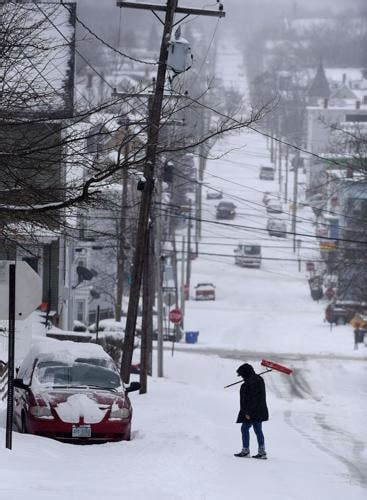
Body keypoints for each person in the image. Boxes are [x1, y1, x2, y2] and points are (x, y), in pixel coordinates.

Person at [234, 363, 269, 459]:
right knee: (254, 430)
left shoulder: (252, 382)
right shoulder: (256, 380)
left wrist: (248, 412)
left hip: (253, 412)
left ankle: (251, 451)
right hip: (258, 410)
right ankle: (259, 451)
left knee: (250, 429)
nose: (241, 377)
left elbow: (254, 398)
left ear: (246, 373)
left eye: (241, 375)